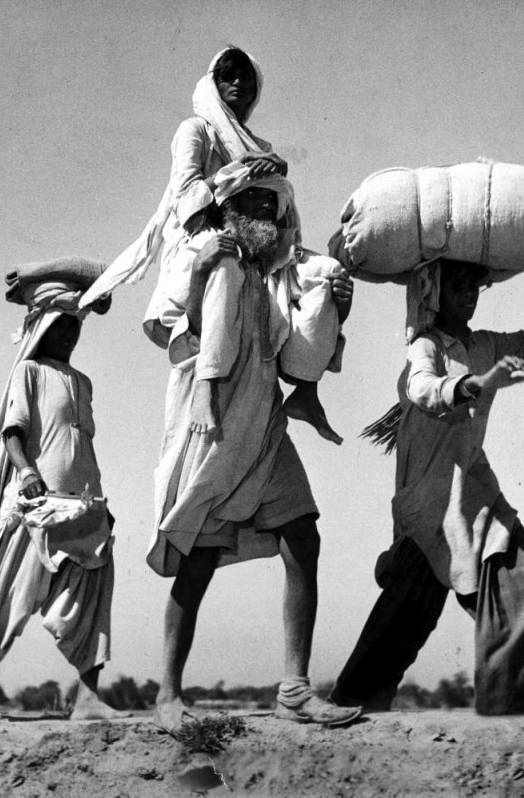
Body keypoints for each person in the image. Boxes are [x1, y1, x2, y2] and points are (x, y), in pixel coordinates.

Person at [148, 169, 360, 732]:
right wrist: (200, 273)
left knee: (303, 536)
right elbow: (165, 333)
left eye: (272, 202)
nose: (265, 210)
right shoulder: (198, 254)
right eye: (253, 200)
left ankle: (294, 689)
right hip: (211, 421)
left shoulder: (277, 274)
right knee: (197, 557)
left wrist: (337, 308)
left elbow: (294, 355)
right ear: (230, 207)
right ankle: (167, 694)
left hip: (263, 421)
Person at [331, 259, 524, 715]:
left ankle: (508, 713)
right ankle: (353, 705)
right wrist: (480, 382)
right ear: (434, 294)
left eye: (474, 285)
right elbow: (424, 388)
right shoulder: (425, 346)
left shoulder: (486, 345)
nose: (470, 294)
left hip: (474, 493)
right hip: (428, 502)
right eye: (457, 285)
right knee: (406, 613)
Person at [82, 47, 343, 444]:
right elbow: (186, 203)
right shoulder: (196, 131)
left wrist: (275, 174)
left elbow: (276, 206)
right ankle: (206, 383)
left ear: (255, 90)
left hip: (257, 242)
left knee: (329, 273)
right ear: (213, 83)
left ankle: (307, 389)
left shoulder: (261, 145)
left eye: (245, 77)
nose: (237, 83)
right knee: (225, 263)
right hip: (204, 236)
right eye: (227, 75)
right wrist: (240, 172)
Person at [0, 257, 125, 722]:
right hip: (39, 503)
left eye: (75, 324)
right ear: (42, 327)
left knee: (92, 597)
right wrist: (27, 471)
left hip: (85, 503)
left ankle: (88, 697)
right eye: (60, 324)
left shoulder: (83, 382)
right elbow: (13, 431)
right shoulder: (28, 372)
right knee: (11, 595)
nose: (69, 333)